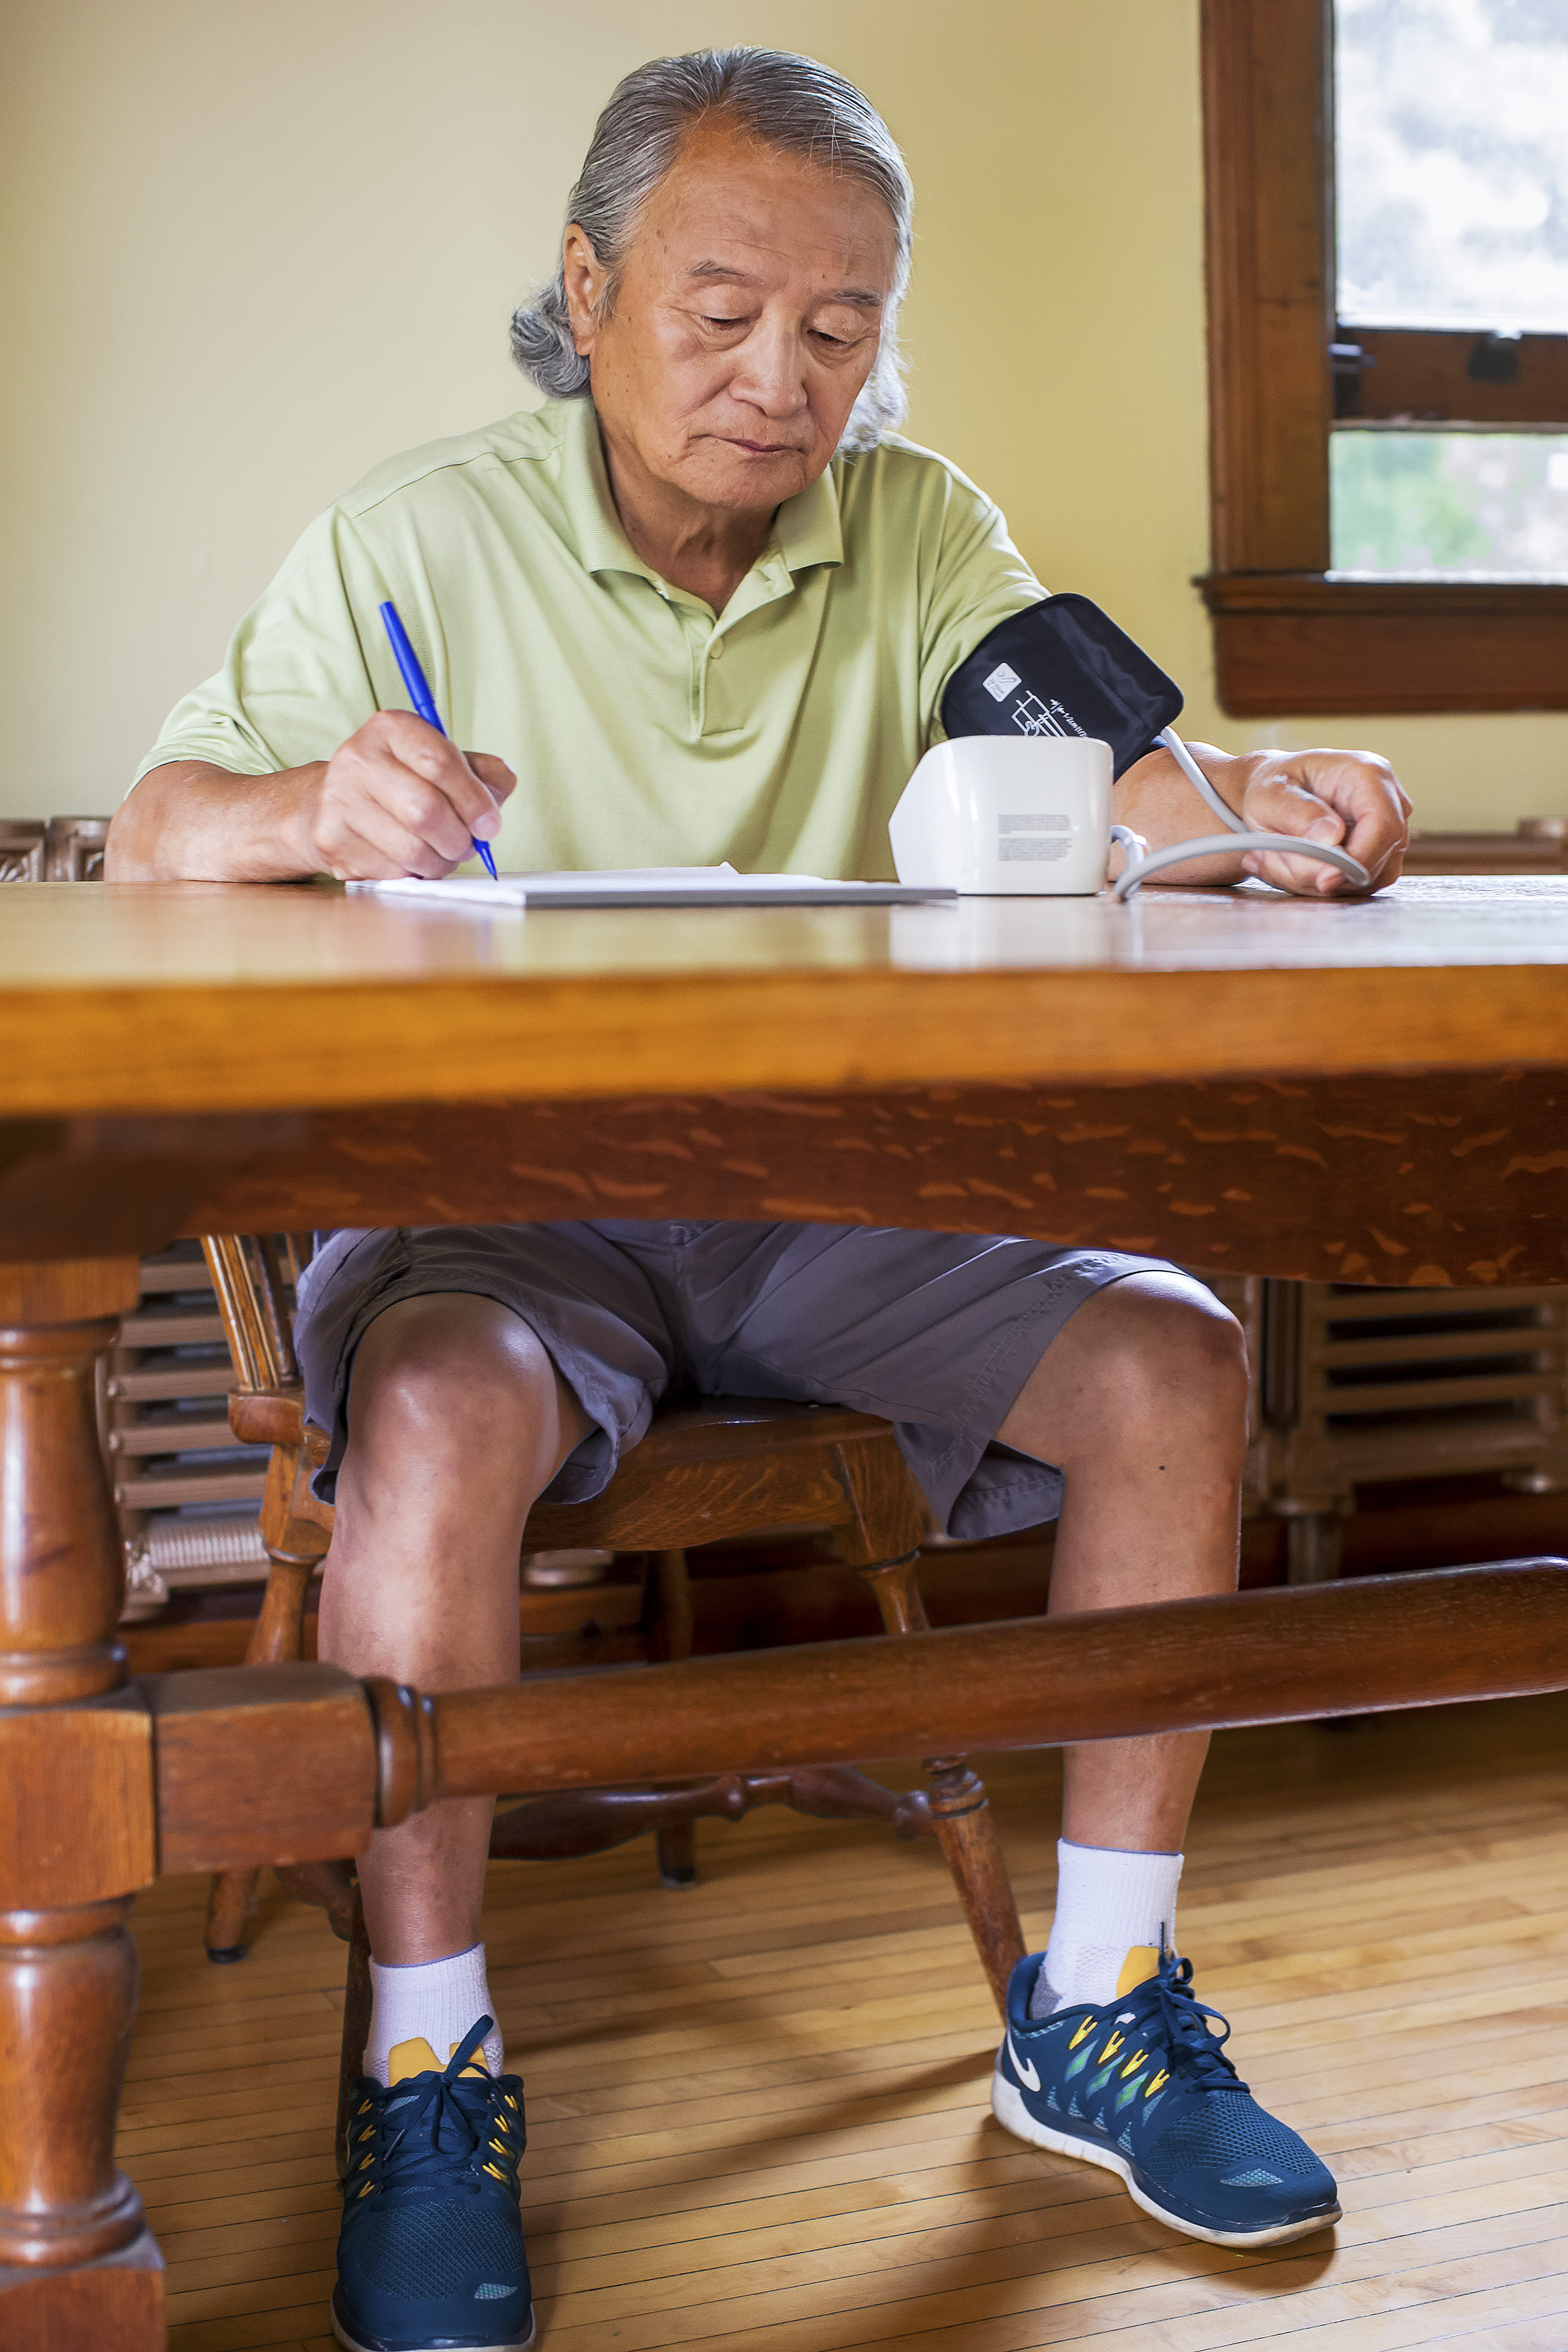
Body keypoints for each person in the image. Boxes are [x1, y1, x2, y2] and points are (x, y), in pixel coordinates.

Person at [110, 48, 1411, 2352]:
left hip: (827, 1201)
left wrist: (1282, 802)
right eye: (721, 311)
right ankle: (427, 2061)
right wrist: (315, 798)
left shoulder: (914, 525)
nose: (782, 378)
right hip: (509, 1216)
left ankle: (1097, 2001)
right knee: (422, 1414)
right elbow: (153, 838)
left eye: (841, 327)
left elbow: (1139, 771)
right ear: (589, 291)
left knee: (1175, 1357)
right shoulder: (414, 536)